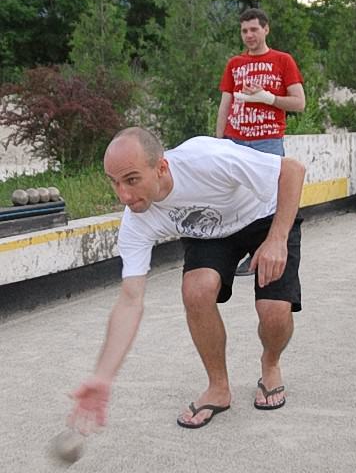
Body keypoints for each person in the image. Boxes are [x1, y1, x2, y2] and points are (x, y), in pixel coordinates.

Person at [67, 127, 305, 433]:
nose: (123, 195)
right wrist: (102, 377)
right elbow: (130, 301)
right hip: (208, 230)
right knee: (196, 290)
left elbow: (292, 170)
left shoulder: (206, 159)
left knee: (274, 312)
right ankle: (218, 388)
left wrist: (277, 239)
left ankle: (270, 363)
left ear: (161, 168)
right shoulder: (136, 221)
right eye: (114, 182)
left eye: (132, 179)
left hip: (264, 217)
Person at [216, 7, 305, 275]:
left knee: (270, 199)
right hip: (236, 140)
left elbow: (299, 102)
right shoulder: (234, 64)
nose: (249, 35)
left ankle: (264, 252)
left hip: (267, 140)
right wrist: (219, 141)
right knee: (235, 197)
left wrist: (269, 98)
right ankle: (234, 251)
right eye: (244, 30)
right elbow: (225, 104)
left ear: (266, 29)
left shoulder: (282, 60)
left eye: (254, 29)